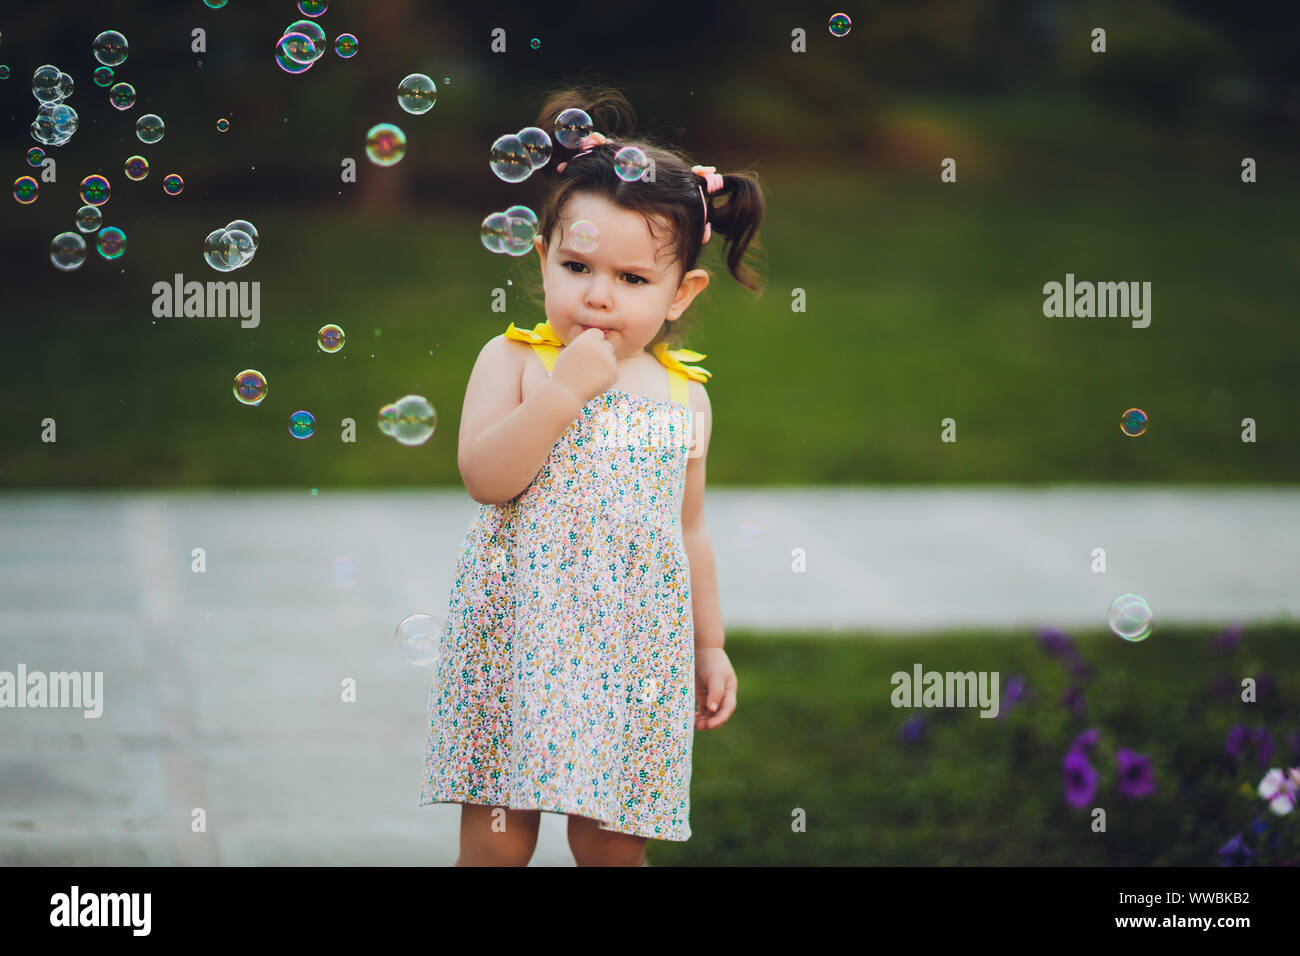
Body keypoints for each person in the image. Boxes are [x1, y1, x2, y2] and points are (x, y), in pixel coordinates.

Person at [419, 85, 766, 866]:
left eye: (633, 280)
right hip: (518, 631)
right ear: (542, 258)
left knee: (612, 846)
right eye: (577, 266)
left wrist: (710, 646)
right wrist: (565, 390)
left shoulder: (685, 394)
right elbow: (486, 477)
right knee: (497, 842)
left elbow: (691, 529)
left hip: (633, 645)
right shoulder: (513, 360)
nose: (599, 296)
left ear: (682, 294)